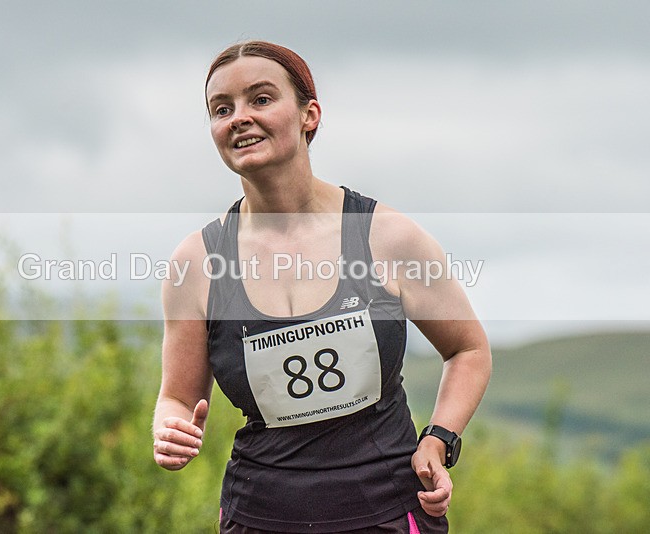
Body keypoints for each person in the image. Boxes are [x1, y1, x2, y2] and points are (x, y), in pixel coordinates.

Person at [152, 41, 492, 533]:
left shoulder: (386, 236)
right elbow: (177, 399)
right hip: (260, 515)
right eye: (221, 109)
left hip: (389, 512)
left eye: (261, 99)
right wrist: (169, 427)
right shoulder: (197, 262)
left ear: (309, 114)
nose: (239, 117)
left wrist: (439, 439)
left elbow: (468, 349)